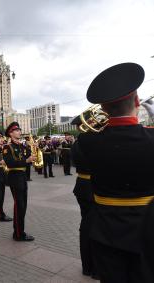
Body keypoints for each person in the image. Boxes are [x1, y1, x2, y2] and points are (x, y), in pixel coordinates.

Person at [76, 62, 153, 282]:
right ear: (137, 102)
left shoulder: (88, 141)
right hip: (146, 229)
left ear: (104, 108)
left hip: (105, 230)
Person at [70, 116, 98, 279]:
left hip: (83, 186)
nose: (95, 124)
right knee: (93, 227)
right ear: (85, 125)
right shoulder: (90, 141)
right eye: (92, 122)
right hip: (91, 188)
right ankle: (94, 268)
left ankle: (87, 266)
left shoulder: (78, 142)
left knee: (86, 226)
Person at [3, 122, 35, 241]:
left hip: (22, 177)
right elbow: (10, 163)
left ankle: (19, 231)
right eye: (16, 130)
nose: (19, 132)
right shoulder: (7, 147)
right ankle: (18, 233)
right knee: (19, 205)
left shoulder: (22, 146)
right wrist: (26, 161)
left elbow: (29, 157)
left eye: (19, 130)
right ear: (11, 133)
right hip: (15, 177)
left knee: (23, 205)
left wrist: (33, 150)